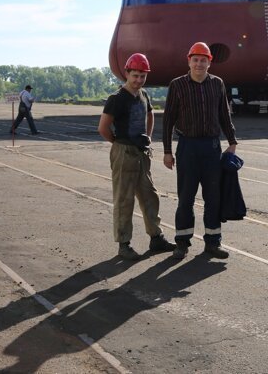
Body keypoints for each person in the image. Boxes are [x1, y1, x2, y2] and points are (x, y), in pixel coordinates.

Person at [163, 42, 238, 260]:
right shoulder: (177, 85)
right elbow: (168, 120)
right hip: (187, 146)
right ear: (189, 61)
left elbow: (224, 114)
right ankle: (182, 243)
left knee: (213, 197)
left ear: (209, 62)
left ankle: (213, 243)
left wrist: (232, 141)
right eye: (195, 59)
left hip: (211, 147)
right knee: (185, 197)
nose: (199, 64)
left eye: (203, 60)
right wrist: (167, 151)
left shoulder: (218, 84)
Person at [98, 53, 175, 261]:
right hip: (124, 152)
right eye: (135, 76)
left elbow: (150, 114)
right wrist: (118, 143)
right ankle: (124, 244)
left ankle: (156, 238)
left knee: (150, 195)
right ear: (127, 74)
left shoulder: (143, 95)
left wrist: (148, 137)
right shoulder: (117, 99)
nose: (139, 80)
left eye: (142, 76)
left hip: (141, 153)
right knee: (124, 199)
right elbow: (103, 127)